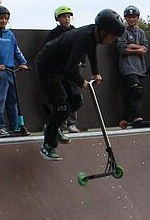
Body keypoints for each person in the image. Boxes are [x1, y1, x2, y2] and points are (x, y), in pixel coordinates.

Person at [36, 9, 126, 160]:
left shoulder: (92, 33)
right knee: (62, 108)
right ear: (104, 31)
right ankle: (48, 146)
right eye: (113, 35)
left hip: (61, 67)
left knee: (76, 101)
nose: (113, 39)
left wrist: (96, 72)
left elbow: (92, 52)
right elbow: (70, 70)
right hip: (48, 67)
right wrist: (81, 81)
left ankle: (53, 125)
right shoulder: (84, 38)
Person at [0, 5, 29, 138]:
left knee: (13, 101)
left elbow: (16, 50)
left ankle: (15, 126)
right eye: (1, 18)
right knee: (0, 100)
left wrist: (23, 63)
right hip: (0, 72)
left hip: (11, 71)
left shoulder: (10, 35)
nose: (3, 21)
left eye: (5, 18)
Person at [45, 6, 81, 134]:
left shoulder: (76, 31)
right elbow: (48, 51)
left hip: (73, 70)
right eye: (63, 17)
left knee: (75, 96)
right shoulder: (53, 34)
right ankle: (61, 123)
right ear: (58, 19)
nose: (66, 19)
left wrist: (81, 61)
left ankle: (72, 123)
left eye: (68, 16)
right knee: (61, 97)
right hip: (59, 71)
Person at [116, 5, 149, 125]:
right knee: (136, 90)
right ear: (125, 18)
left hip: (140, 68)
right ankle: (136, 117)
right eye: (129, 17)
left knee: (135, 93)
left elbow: (145, 48)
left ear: (138, 18)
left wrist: (131, 45)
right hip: (128, 67)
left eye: (134, 17)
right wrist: (137, 49)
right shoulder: (122, 31)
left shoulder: (141, 32)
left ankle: (130, 118)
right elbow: (121, 48)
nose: (131, 19)